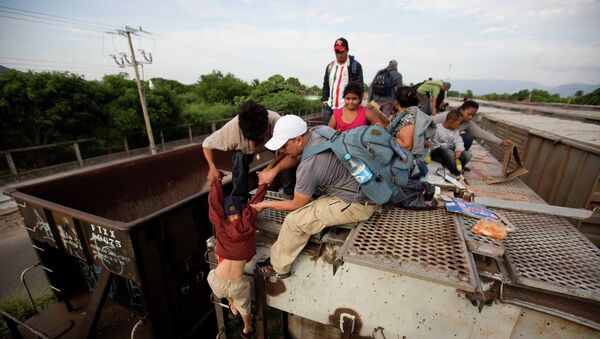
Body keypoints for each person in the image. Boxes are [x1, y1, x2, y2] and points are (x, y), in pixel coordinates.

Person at [251, 115, 378, 279]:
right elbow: (294, 156)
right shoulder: (318, 132)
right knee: (310, 203)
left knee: (294, 221)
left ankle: (277, 267)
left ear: (298, 140)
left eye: (283, 146)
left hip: (357, 204)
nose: (280, 151)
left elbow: (296, 203)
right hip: (367, 187)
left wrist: (265, 204)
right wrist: (273, 171)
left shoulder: (308, 166)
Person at [207, 175, 268, 339]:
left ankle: (231, 302)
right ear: (241, 212)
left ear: (225, 215)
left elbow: (214, 205)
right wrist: (264, 183)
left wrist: (216, 182)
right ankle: (247, 328)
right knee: (244, 307)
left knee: (220, 256)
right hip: (236, 285)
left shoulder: (221, 226)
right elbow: (256, 202)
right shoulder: (248, 222)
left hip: (216, 281)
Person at [433, 100, 513, 155]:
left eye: (473, 115)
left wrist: (501, 142)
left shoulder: (468, 123)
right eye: (469, 114)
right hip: (436, 144)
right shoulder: (447, 116)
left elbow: (482, 133)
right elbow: (430, 125)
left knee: (468, 138)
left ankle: (458, 157)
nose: (471, 117)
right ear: (461, 110)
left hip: (451, 144)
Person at [388, 86, 435, 178]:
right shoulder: (409, 115)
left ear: (396, 102)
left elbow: (406, 145)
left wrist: (385, 138)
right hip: (413, 162)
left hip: (408, 166)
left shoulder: (408, 118)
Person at [322, 37, 364, 125]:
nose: (339, 54)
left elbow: (359, 87)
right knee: (326, 135)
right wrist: (325, 101)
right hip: (329, 107)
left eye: (341, 51)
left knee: (344, 136)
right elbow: (326, 85)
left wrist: (354, 105)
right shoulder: (330, 66)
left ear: (347, 50)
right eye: (337, 52)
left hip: (345, 108)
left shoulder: (355, 66)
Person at [430, 110, 468, 176]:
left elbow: (458, 140)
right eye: (458, 124)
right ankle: (456, 173)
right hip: (437, 152)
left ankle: (458, 166)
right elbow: (432, 143)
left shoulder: (455, 131)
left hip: (449, 151)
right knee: (448, 152)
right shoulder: (437, 128)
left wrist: (458, 150)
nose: (459, 126)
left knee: (467, 155)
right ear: (451, 122)